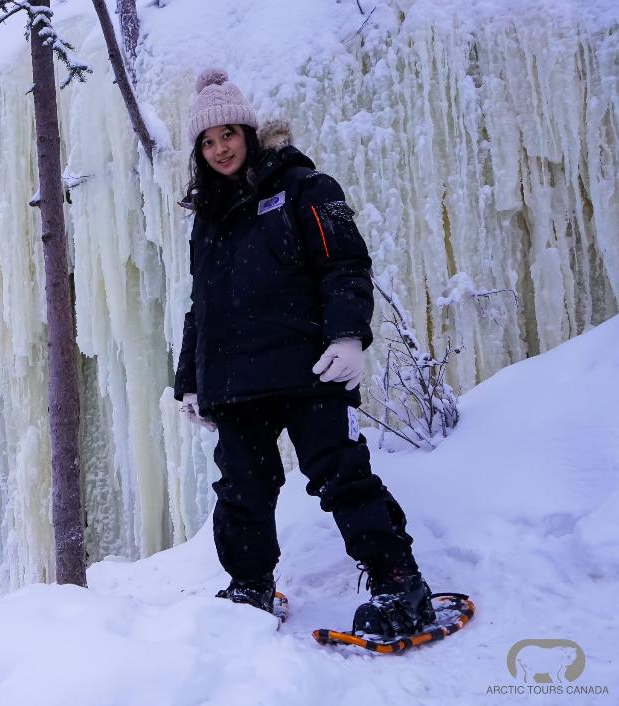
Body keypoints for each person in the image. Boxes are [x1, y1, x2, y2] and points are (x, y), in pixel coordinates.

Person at [173, 68, 435, 638]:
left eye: (228, 135)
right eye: (207, 142)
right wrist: (191, 380)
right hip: (236, 383)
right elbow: (203, 306)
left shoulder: (304, 188)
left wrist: (348, 336)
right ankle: (251, 588)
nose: (220, 149)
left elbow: (343, 264)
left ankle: (398, 584)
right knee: (241, 489)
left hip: (307, 370)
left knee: (340, 474)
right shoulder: (208, 220)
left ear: (247, 130)